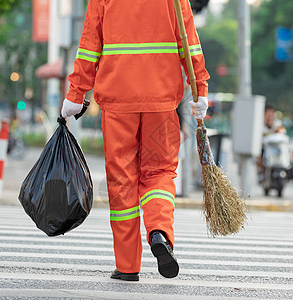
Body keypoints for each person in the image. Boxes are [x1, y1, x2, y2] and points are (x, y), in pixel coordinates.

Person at [61, 0, 210, 281]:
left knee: (122, 179)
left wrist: (75, 93)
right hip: (162, 102)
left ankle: (128, 265)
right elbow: (189, 41)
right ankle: (159, 232)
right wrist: (200, 87)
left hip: (118, 101)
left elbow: (90, 42)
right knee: (160, 172)